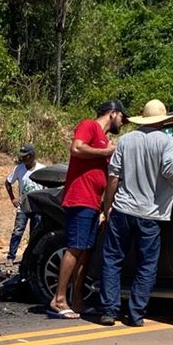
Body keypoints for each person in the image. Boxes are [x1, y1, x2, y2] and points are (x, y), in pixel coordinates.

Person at [97, 99, 173, 326]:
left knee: (112, 260)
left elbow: (114, 176)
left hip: (122, 209)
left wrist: (107, 206)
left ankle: (109, 311)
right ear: (162, 121)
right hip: (150, 214)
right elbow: (170, 171)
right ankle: (135, 314)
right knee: (146, 265)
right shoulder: (167, 141)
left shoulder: (126, 140)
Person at [48, 100, 129, 319]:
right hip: (80, 198)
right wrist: (105, 151)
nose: (123, 122)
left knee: (86, 251)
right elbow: (76, 148)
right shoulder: (89, 126)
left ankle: (77, 299)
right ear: (112, 113)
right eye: (122, 117)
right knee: (75, 247)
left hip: (93, 202)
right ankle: (59, 298)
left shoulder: (104, 138)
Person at [4, 143, 46, 266]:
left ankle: (31, 258)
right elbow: (8, 182)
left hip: (37, 206)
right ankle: (11, 256)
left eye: (25, 156)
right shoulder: (19, 169)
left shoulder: (42, 169)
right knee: (18, 231)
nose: (22, 158)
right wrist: (13, 198)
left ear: (32, 156)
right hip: (23, 205)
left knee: (35, 233)